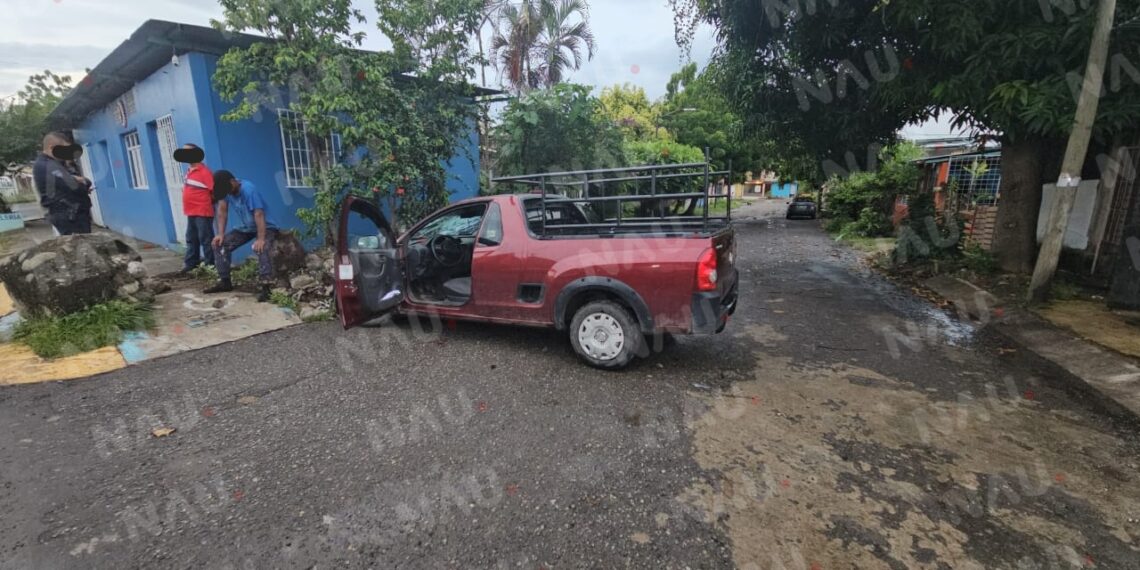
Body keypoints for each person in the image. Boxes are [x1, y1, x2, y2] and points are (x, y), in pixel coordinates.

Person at [204, 170, 280, 302]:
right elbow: (222, 210)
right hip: (247, 228)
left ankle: (266, 286)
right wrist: (220, 234)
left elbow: (259, 214)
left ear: (233, 182)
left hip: (265, 227)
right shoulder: (224, 190)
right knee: (220, 245)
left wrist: (261, 239)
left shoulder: (248, 190)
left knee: (261, 247)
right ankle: (225, 282)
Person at [32, 132, 94, 235]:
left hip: (74, 215)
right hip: (69, 217)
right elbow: (77, 187)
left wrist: (81, 181)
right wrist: (81, 182)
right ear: (52, 148)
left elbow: (83, 182)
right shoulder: (47, 166)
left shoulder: (56, 164)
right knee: (79, 248)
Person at [173, 143, 215, 272]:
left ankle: (210, 265)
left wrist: (204, 203)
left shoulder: (204, 172)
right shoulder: (189, 171)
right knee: (191, 238)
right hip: (191, 211)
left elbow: (213, 192)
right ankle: (191, 263)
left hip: (202, 211)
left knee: (206, 239)